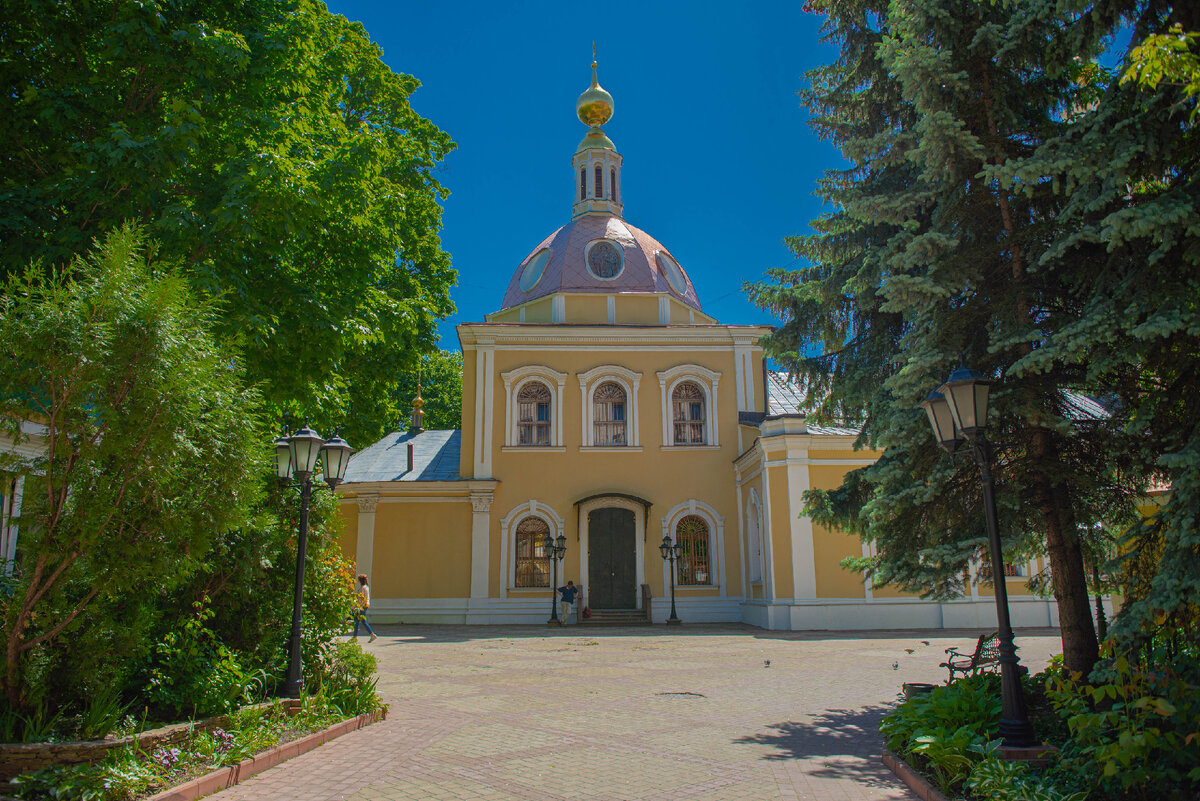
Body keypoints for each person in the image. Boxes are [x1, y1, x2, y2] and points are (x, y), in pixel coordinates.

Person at [353, 573, 377, 642]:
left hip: (362, 606)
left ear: (360, 581)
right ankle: (371, 635)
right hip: (364, 606)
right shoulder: (366, 587)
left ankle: (355, 637)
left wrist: (357, 605)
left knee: (358, 621)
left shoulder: (363, 588)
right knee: (361, 621)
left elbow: (362, 598)